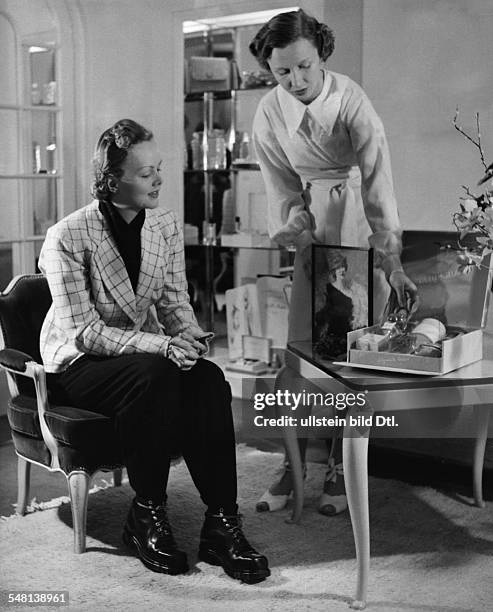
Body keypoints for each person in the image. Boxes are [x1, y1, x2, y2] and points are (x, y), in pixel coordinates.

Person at [38, 119, 270, 584]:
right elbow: (83, 332)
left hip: (144, 358)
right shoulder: (67, 237)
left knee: (206, 377)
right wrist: (163, 347)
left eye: (159, 169)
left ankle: (221, 523)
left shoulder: (162, 225)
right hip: (79, 366)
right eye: (146, 173)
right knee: (155, 373)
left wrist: (189, 342)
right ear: (111, 180)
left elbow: (174, 303)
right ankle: (145, 516)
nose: (159, 180)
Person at [249, 9, 417, 515]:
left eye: (304, 67)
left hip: (359, 224)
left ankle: (342, 465)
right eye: (282, 72)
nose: (295, 81)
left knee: (348, 357)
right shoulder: (268, 114)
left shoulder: (352, 102)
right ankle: (292, 462)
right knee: (298, 356)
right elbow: (280, 187)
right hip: (311, 231)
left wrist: (390, 258)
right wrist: (299, 235)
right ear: (270, 70)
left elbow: (378, 180)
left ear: (320, 56)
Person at [314, 251, 368, 359]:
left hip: (351, 340)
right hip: (334, 344)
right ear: (333, 270)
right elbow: (321, 317)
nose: (342, 270)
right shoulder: (328, 290)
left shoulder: (353, 290)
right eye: (338, 267)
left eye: (343, 266)